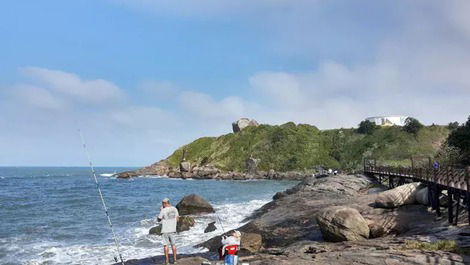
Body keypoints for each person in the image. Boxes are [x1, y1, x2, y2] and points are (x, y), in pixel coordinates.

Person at [157, 198, 180, 265]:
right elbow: (177, 219)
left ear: (165, 203)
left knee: (166, 246)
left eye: (162, 203)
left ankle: (167, 261)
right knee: (173, 245)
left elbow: (158, 219)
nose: (162, 205)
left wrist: (161, 210)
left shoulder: (163, 210)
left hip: (165, 230)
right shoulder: (175, 209)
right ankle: (175, 260)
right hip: (172, 230)